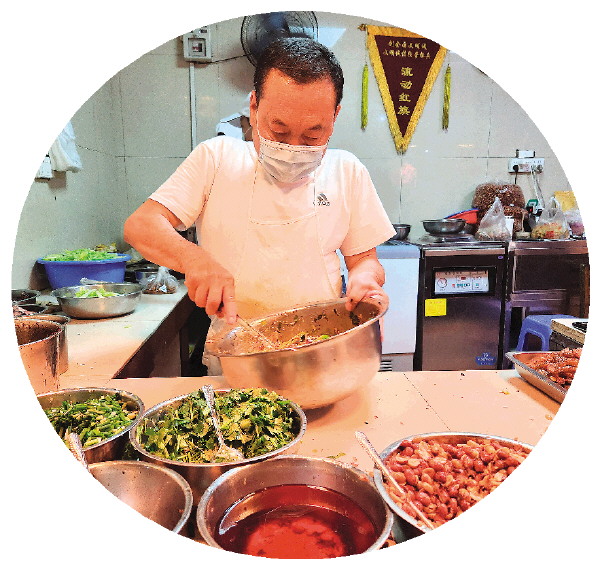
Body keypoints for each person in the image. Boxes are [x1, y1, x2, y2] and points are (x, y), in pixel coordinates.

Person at [124, 37, 395, 370]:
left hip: (321, 352)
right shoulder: (216, 159)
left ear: (335, 116)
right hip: (236, 354)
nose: (293, 148)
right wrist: (194, 259)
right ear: (253, 107)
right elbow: (141, 225)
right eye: (278, 131)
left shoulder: (347, 171)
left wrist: (366, 281)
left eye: (312, 136)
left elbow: (364, 260)